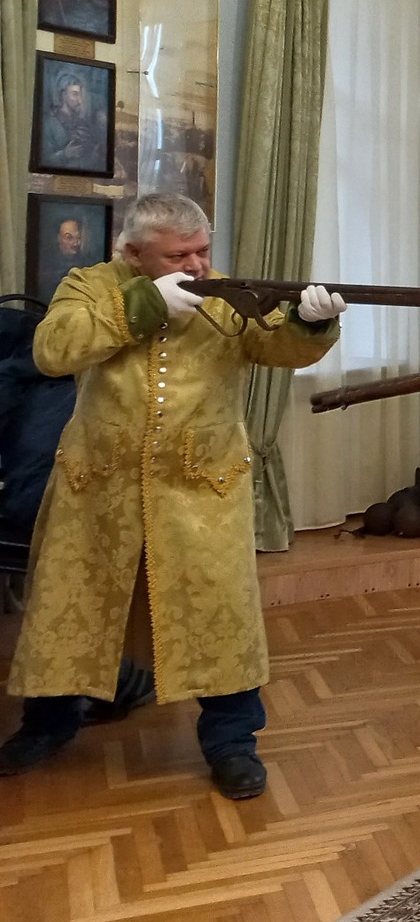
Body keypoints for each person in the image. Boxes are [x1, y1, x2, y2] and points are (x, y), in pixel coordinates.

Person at [0, 193, 344, 798]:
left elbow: (280, 349)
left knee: (218, 613)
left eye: (201, 251)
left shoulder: (226, 295)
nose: (196, 265)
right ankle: (48, 724)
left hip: (200, 484)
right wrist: (144, 304)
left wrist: (310, 323)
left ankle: (232, 743)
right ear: (132, 254)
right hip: (98, 483)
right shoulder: (88, 286)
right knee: (70, 607)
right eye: (177, 255)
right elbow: (53, 351)